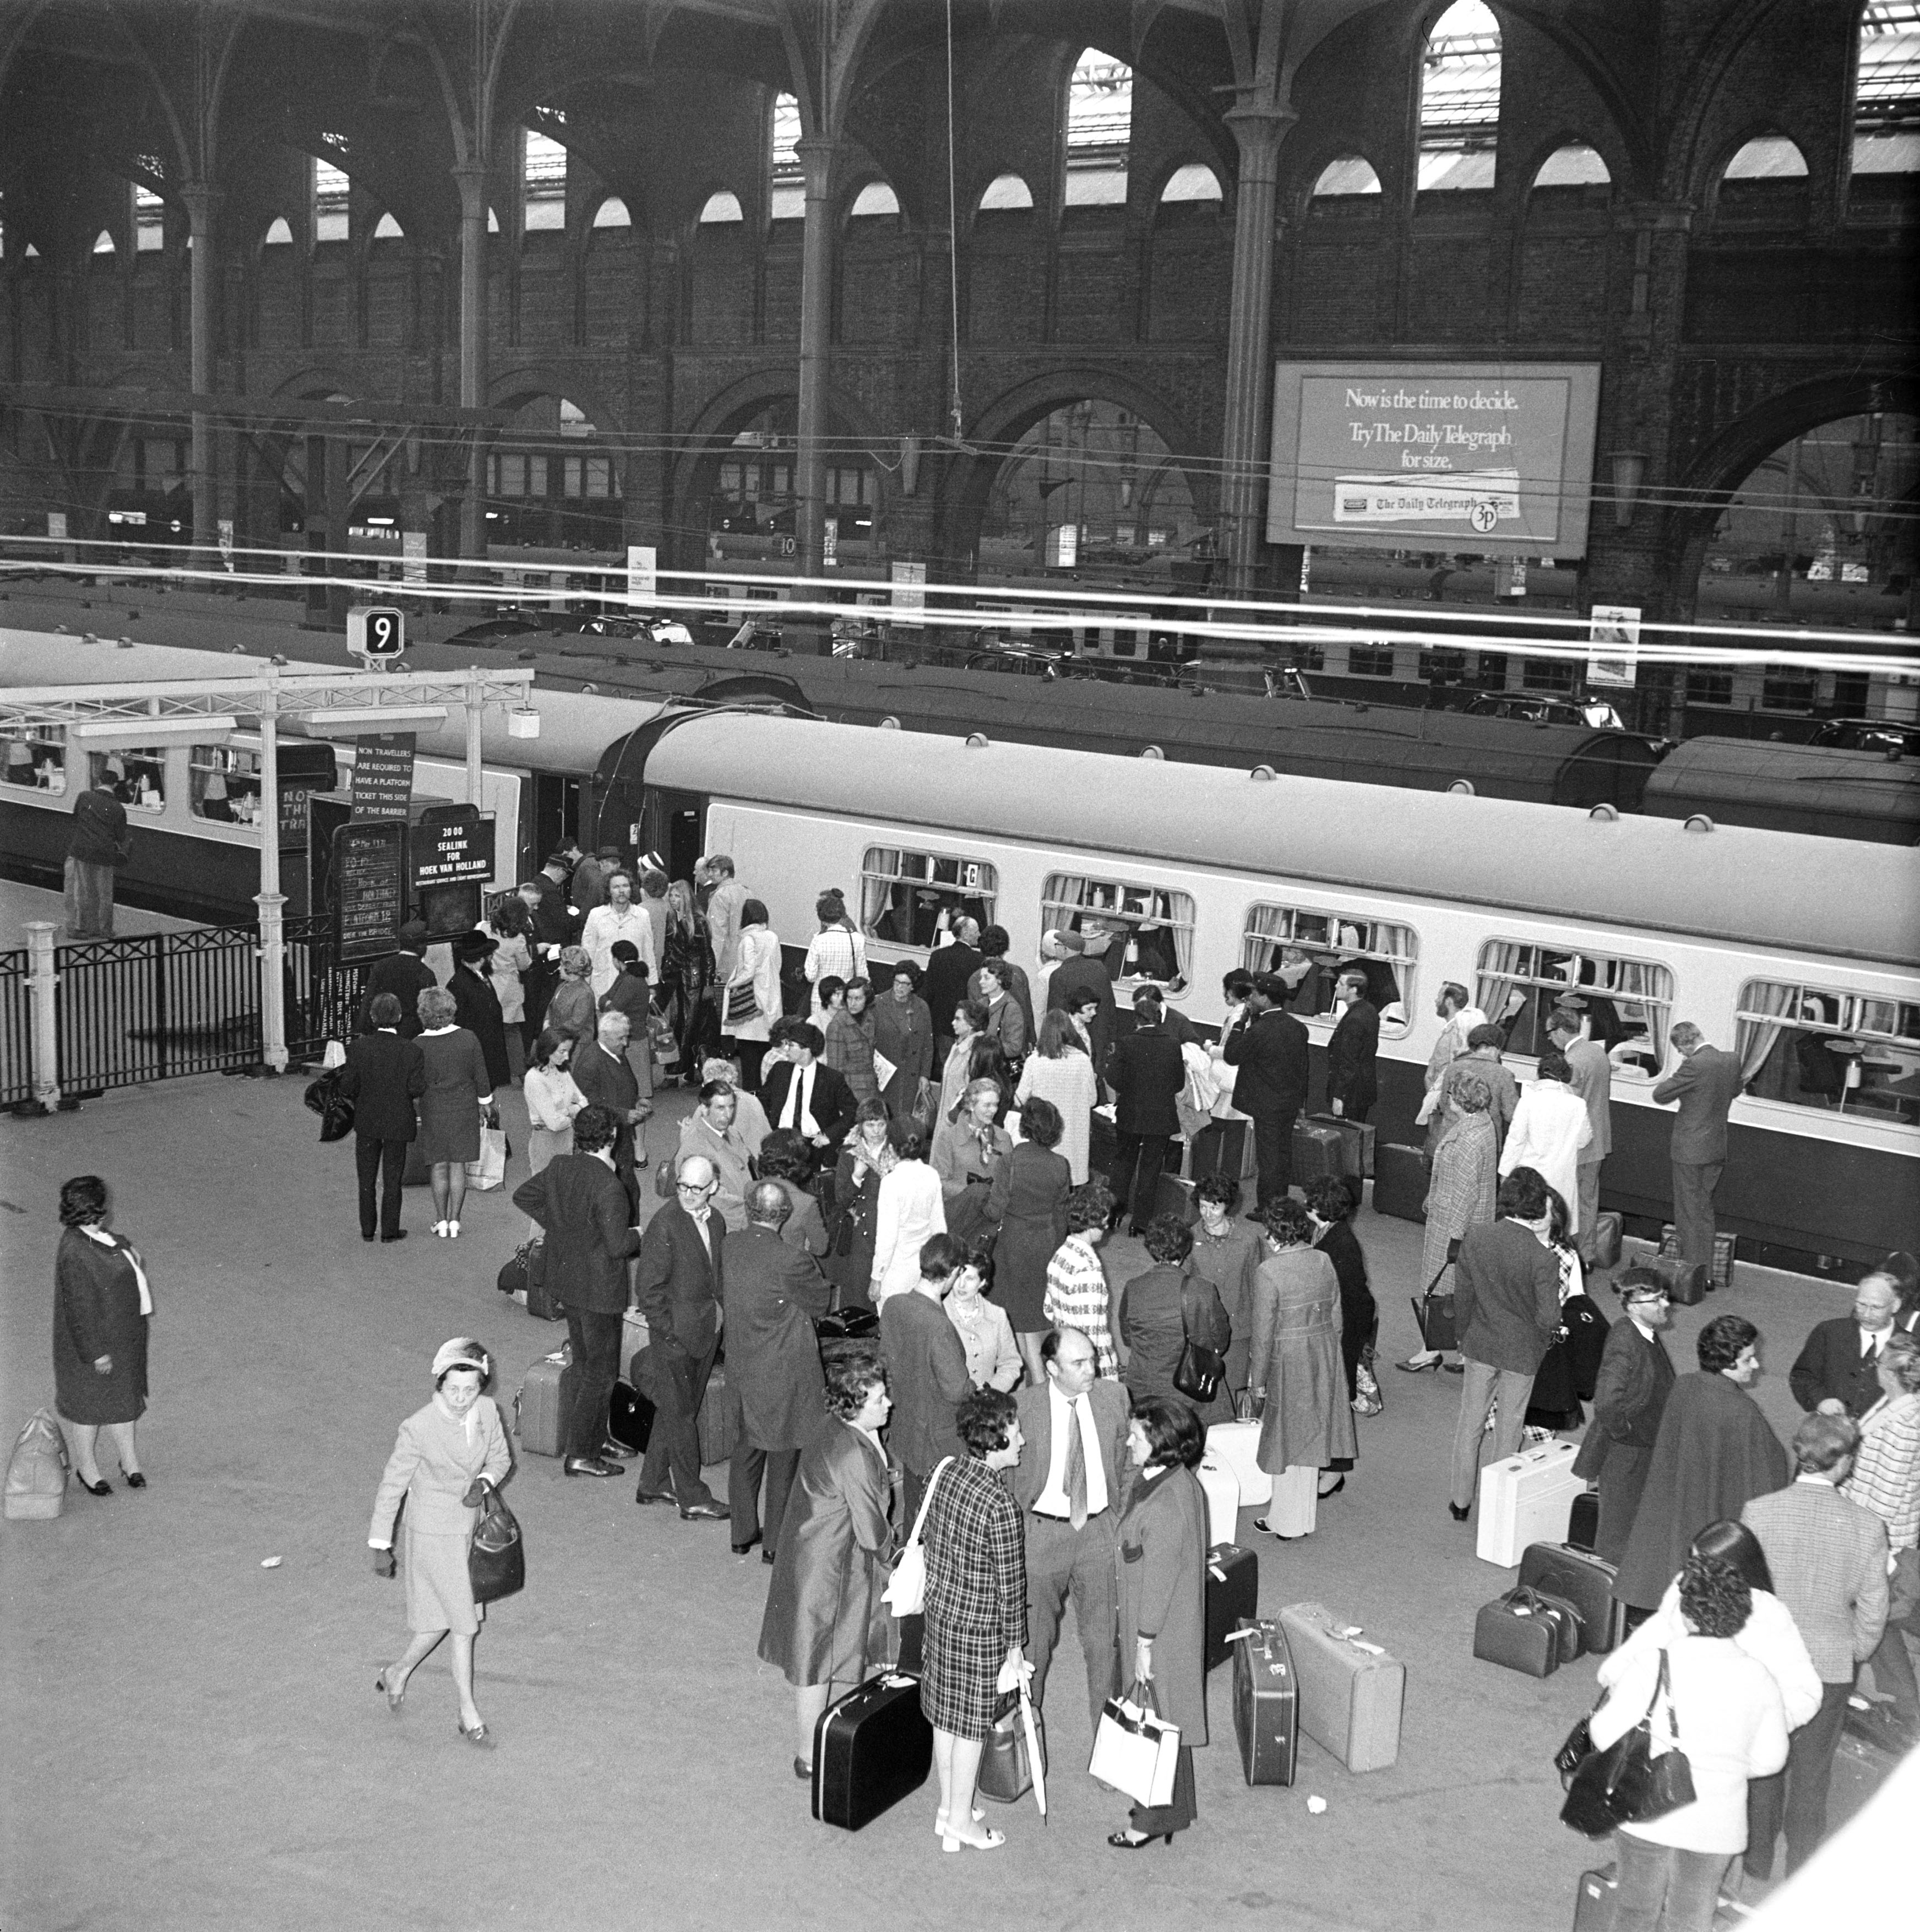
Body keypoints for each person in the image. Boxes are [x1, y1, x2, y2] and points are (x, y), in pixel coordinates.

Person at [1586, 1550, 1790, 1932]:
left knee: (1634, 1912)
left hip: (1647, 1812)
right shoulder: (1758, 1677)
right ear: (1739, 1617)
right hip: (1717, 1823)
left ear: (1684, 1612)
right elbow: (1771, 1759)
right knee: (1692, 1919)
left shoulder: (1652, 1663)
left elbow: (1602, 1732)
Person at [1741, 1414, 1890, 1881]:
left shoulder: (1757, 1512)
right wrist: (1855, 1651)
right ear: (1843, 1463)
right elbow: (1872, 1609)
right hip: (1828, 1665)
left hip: (1766, 1661)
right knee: (1813, 1773)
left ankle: (1756, 1859)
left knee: (1763, 1762)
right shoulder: (1867, 1527)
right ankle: (1800, 1867)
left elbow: (1744, 1593)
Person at [758, 1353, 898, 1781]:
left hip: (814, 1553)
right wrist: (902, 1563)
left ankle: (812, 1751)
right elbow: (874, 1533)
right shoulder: (853, 1452)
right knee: (815, 1656)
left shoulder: (835, 1427)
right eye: (879, 1398)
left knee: (815, 1652)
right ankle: (810, 1756)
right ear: (854, 1404)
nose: (889, 1403)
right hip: (828, 1566)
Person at [367, 1338, 513, 1747]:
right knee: (464, 1623)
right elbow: (392, 1485)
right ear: (439, 1384)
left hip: (469, 1529)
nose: (463, 1399)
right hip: (432, 1533)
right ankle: (468, 1713)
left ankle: (397, 1672)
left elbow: (500, 1459)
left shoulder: (487, 1411)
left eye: (471, 1389)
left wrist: (482, 1483)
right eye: (453, 1390)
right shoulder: (418, 1427)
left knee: (445, 1619)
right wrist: (381, 1542)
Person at [1615, 1315, 1790, 1614]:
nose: (1757, 1365)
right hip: (1713, 1511)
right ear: (1728, 1362)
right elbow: (1767, 1472)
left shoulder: (1684, 1386)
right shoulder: (1742, 1411)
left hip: (1677, 1496)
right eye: (1749, 1359)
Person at [920, 1385, 1030, 1853]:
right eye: (1015, 1430)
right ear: (996, 1439)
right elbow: (1011, 1588)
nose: (1022, 1439)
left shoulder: (944, 1472)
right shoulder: (1001, 1506)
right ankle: (961, 1821)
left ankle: (950, 1806)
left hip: (941, 1614)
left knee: (946, 1717)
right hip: (979, 1628)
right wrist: (1016, 1647)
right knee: (970, 1726)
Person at [512, 1105, 642, 1478]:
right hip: (599, 1289)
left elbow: (525, 1196)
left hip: (567, 1279)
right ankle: (582, 1452)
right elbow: (619, 1245)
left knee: (586, 1364)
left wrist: (562, 1227)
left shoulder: (559, 1167)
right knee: (601, 1372)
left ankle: (594, 1436)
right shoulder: (609, 1186)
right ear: (613, 1138)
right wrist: (639, 1235)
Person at [1009, 1327, 1127, 1725]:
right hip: (1041, 1538)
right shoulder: (1021, 1408)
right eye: (1079, 1363)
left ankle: (1109, 1749)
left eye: (1093, 1359)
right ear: (1050, 1368)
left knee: (1103, 1646)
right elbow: (1004, 1477)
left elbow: (1128, 1464)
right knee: (1032, 1648)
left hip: (1098, 1533)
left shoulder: (1114, 1397)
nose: (1091, 1369)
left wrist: (1119, 1518)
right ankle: (1027, 1736)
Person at [1108, 1396, 1211, 1849]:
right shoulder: (1172, 1481)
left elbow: (1159, 1580)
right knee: (1168, 1721)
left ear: (1161, 1443)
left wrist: (1143, 1644)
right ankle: (1176, 1811)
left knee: (1152, 1723)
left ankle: (1148, 1822)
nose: (1128, 1441)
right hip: (1169, 1623)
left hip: (1158, 1630)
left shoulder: (1166, 1503)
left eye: (1136, 1435)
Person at [725, 1181, 833, 1561]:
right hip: (783, 1371)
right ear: (784, 1215)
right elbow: (821, 1302)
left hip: (743, 1364)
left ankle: (741, 1534)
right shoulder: (792, 1260)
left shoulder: (730, 1245)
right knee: (783, 1454)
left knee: (747, 1448)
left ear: (749, 1210)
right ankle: (774, 1543)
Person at [1445, 1168, 1561, 1522]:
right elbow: (1548, 1319)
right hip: (1522, 1353)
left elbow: (1463, 1297)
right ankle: (1496, 1507)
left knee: (1470, 1425)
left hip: (1480, 1343)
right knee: (1509, 1430)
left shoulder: (1477, 1238)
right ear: (1539, 1207)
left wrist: (1463, 1336)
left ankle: (1461, 1503)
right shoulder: (1543, 1259)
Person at [630, 1154, 730, 1521]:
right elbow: (648, 1292)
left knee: (676, 1411)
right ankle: (692, 1497)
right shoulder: (665, 1225)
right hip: (675, 1338)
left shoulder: (716, 1221)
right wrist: (669, 1337)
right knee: (683, 1417)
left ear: (713, 1188)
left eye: (696, 1188)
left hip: (707, 1331)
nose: (687, 1194)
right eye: (682, 1186)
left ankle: (653, 1482)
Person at [1248, 1197, 1356, 1529]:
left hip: (1288, 1355)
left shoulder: (1268, 1271)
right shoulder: (1323, 1259)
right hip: (1323, 1350)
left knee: (1286, 1438)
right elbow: (1337, 1315)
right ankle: (1302, 1517)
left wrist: (1259, 1381)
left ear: (1272, 1234)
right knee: (1314, 1432)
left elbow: (1263, 1335)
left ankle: (1286, 1521)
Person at [1840, 1331, 1920, 1749]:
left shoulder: (1906, 1423)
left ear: (1892, 1374)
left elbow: (1886, 1500)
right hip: (1871, 1536)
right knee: (1874, 1623)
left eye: (1878, 1364)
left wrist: (1861, 1548)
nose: (1872, 1368)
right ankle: (1903, 1705)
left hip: (1879, 1543)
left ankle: (1905, 1707)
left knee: (1872, 1621)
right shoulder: (1892, 1405)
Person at [52, 1175, 154, 1494]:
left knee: (124, 1400)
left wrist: (126, 1246)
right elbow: (79, 1311)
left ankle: (129, 1461)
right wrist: (97, 1353)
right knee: (89, 1408)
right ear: (90, 1211)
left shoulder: (91, 1234)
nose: (104, 1217)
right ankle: (87, 1467)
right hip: (95, 1348)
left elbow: (110, 1240)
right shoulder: (74, 1253)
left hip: (121, 1336)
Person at [1573, 1268, 1680, 1566]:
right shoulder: (1625, 1340)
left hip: (1640, 1448)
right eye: (1657, 1300)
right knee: (1615, 1539)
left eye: (1665, 1297)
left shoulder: (1645, 1334)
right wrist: (1626, 1433)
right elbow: (1606, 1402)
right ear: (1634, 1306)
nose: (1666, 1305)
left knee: (1629, 1527)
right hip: (1627, 1453)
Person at [1400, 1071, 1499, 1372]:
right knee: (1463, 1290)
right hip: (1471, 1218)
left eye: (1451, 1096)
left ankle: (1429, 1350)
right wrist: (1435, 1195)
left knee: (1438, 1287)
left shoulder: (1468, 1137)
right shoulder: (1483, 1125)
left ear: (1460, 1101)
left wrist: (1455, 1236)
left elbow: (1466, 1192)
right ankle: (1464, 1353)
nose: (1448, 1100)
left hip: (1455, 1223)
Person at [880, 1233, 973, 1523]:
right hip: (939, 1439)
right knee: (941, 1519)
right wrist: (976, 1388)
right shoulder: (939, 1327)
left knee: (914, 1510)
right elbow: (957, 1391)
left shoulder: (894, 1305)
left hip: (908, 1428)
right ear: (955, 1273)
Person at [987, 1095, 1073, 1383]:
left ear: (1024, 1127)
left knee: (1016, 1320)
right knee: (1034, 1322)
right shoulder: (1061, 1165)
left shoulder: (1009, 1162)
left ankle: (1036, 1386)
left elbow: (994, 1210)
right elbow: (1062, 1215)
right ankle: (1039, 1381)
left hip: (1011, 1247)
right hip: (1045, 1246)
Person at [1118, 1213, 1231, 1423]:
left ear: (1151, 1248)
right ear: (1186, 1250)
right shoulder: (1202, 1289)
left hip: (1143, 1388)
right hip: (1189, 1393)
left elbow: (1127, 1338)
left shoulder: (1132, 1287)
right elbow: (1221, 1339)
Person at [1652, 1022, 1745, 1273]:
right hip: (1716, 1146)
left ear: (1684, 1045)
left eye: (1681, 1050)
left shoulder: (1693, 1065)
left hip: (1690, 1149)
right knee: (1703, 1210)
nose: (1682, 1054)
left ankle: (1692, 1273)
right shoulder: (1731, 1060)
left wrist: (1685, 1084)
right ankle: (1706, 1270)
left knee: (1687, 1213)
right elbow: (1736, 1089)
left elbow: (1660, 1095)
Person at [338, 991, 426, 1244]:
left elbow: (348, 1087)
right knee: (393, 1177)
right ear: (399, 1017)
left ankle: (368, 1229)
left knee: (365, 1177)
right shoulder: (411, 1051)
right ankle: (390, 1230)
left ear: (373, 1017)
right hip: (398, 1121)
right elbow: (416, 1088)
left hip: (367, 1120)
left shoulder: (359, 1048)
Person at [1221, 973, 1310, 1215]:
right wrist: (1301, 1104)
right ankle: (1279, 1203)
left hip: (1266, 1104)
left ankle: (1268, 1209)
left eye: (1254, 994)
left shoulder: (1260, 1030)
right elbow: (1303, 1069)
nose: (1250, 998)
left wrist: (1240, 1022)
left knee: (1269, 1158)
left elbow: (1231, 1056)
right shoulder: (1298, 1028)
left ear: (1265, 998)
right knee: (1282, 1155)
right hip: (1289, 1103)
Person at [413, 986, 493, 1240]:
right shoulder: (469, 1038)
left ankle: (441, 1220)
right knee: (458, 1164)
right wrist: (485, 1102)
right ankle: (456, 1221)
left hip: (434, 1109)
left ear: (424, 1013)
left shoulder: (418, 1045)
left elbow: (416, 1085)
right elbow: (481, 1075)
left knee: (438, 1165)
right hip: (464, 1107)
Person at [1106, 986, 1185, 1236]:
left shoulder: (1126, 1044)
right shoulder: (1173, 1044)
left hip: (1130, 1114)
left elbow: (1113, 1078)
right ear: (1159, 1018)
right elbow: (1179, 1084)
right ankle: (1140, 1222)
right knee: (1150, 1168)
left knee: (1124, 1164)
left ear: (1137, 1020)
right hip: (1161, 1117)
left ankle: (1115, 1216)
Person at [1306, 1175, 1376, 1423]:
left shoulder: (1342, 1243)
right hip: (1340, 1308)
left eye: (1310, 1204)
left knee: (1342, 1367)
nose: (1306, 1206)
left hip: (1348, 1314)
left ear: (1322, 1211)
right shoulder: (1324, 1230)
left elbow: (1350, 1291)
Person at [1788, 1272, 1902, 1419]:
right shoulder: (1829, 1332)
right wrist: (1820, 1401)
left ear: (1896, 1305)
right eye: (1861, 1304)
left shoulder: (1911, 1347)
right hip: (1828, 1433)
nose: (1866, 1314)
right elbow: (1802, 1376)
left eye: (1876, 1308)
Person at [1549, 1006, 1614, 1260]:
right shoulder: (1598, 1052)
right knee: (1588, 1201)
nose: (1550, 1037)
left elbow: (1569, 1104)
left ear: (1563, 1030)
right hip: (1598, 1139)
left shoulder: (1572, 1061)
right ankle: (1586, 1256)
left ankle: (1569, 1255)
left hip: (1578, 1142)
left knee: (1568, 1201)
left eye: (1551, 1032)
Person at [1189, 1174, 1259, 1399]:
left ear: (1227, 1206)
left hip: (1239, 1328)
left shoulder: (1248, 1240)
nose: (1208, 1214)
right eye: (1202, 1207)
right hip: (1204, 1331)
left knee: (1235, 1390)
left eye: (1214, 1208)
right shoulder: (1190, 1237)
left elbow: (1257, 1288)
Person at [571, 1010, 648, 1207]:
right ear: (604, 1035)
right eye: (621, 1038)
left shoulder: (615, 1051)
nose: (626, 1043)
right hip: (604, 1138)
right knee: (620, 1190)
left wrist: (637, 1100)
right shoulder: (590, 1062)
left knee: (629, 1188)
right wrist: (624, 1114)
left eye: (627, 1037)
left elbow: (626, 1083)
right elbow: (588, 1106)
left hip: (620, 1132)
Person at [1016, 1008, 1098, 1185]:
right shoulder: (1083, 1060)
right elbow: (1093, 1100)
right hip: (1074, 1137)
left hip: (1044, 1135)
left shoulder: (1035, 1060)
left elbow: (1019, 1099)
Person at [871, 1119, 947, 1306]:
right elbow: (939, 1227)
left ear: (891, 1145)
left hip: (896, 1274)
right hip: (924, 1272)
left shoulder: (891, 1182)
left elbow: (887, 1238)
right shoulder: (931, 1174)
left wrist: (876, 1278)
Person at [826, 1099, 893, 1308]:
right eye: (870, 1125)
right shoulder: (849, 1153)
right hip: (860, 1231)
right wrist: (856, 1176)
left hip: (890, 1226)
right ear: (860, 1126)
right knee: (858, 1287)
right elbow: (841, 1198)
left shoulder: (897, 1151)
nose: (876, 1131)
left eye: (881, 1124)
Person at [930, 1076, 1012, 1245]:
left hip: (990, 1219)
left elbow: (1010, 1180)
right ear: (971, 1105)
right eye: (987, 1105)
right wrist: (974, 1194)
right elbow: (940, 1181)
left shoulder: (1004, 1139)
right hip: (958, 1216)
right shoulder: (949, 1137)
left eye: (995, 1105)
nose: (993, 1110)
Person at [520, 1028, 587, 1232]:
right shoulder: (534, 1078)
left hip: (567, 1141)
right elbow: (554, 1123)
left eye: (569, 1051)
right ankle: (532, 1255)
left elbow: (583, 1099)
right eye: (562, 1052)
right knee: (546, 1209)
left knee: (563, 1205)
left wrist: (566, 1111)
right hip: (545, 1145)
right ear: (547, 1050)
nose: (567, 1056)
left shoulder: (562, 1071)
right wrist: (574, 1110)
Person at [761, 1020, 857, 1156]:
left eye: (791, 1045)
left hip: (814, 1144)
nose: (786, 1049)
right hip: (782, 1140)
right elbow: (763, 1100)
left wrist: (829, 1135)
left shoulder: (832, 1078)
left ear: (807, 1049)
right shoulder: (780, 1070)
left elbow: (853, 1112)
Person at [678, 1081, 757, 1233]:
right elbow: (716, 1200)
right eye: (720, 1108)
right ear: (704, 1109)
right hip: (727, 1227)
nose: (728, 1115)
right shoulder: (696, 1148)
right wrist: (756, 1212)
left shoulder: (732, 1132)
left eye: (731, 1107)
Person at [64, 766, 132, 937]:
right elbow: (120, 835)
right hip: (105, 854)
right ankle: (105, 930)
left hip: (82, 850)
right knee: (104, 894)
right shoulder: (118, 808)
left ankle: (81, 929)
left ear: (99, 781)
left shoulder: (84, 797)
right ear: (115, 785)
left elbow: (76, 818)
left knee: (82, 890)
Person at [720, 897, 781, 1087]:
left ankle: (752, 1094)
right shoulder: (772, 937)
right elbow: (777, 966)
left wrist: (731, 985)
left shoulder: (748, 939)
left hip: (749, 1003)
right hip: (770, 998)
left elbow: (748, 971)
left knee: (749, 1056)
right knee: (766, 1055)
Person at [1419, 983, 1487, 1148]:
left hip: (1443, 1108)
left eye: (1439, 996)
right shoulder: (1451, 1030)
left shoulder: (1454, 1033)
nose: (1436, 1001)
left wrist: (1437, 1105)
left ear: (1448, 1001)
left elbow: (1441, 1073)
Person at [945, 1247, 1023, 1391]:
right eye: (958, 1277)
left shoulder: (997, 1315)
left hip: (987, 1402)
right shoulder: (940, 1312)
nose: (961, 1285)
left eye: (970, 1278)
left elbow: (1011, 1363)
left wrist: (990, 1391)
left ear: (982, 1282)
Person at [662, 877, 717, 1079]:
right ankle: (681, 1068)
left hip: (694, 981)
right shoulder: (673, 918)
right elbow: (669, 950)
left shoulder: (698, 921)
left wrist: (709, 984)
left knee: (689, 1025)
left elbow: (707, 954)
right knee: (679, 1023)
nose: (674, 900)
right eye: (672, 896)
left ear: (686, 898)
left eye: (678, 896)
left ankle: (680, 1068)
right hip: (677, 979)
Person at [1431, 1025, 1519, 1149]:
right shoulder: (1504, 1075)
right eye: (1500, 1050)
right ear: (1493, 1047)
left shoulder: (1453, 1068)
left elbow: (1444, 1103)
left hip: (1450, 1138)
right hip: (1484, 1143)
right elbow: (1512, 1115)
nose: (1500, 1054)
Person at [1044, 929, 1119, 1072]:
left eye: (1057, 945)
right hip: (1100, 1038)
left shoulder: (1059, 975)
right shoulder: (1099, 967)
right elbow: (1110, 1005)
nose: (1056, 949)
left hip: (1073, 1045)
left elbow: (1056, 1015)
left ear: (1065, 949)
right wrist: (1112, 1038)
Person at [447, 931, 513, 1093]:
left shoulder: (479, 975)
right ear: (482, 959)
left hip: (488, 1047)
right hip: (479, 1051)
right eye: (489, 955)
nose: (492, 958)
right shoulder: (459, 984)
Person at [872, 962, 934, 1120]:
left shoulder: (922, 1007)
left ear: (913, 986)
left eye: (905, 984)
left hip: (910, 1076)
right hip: (884, 1075)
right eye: (897, 982)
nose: (900, 988)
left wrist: (925, 1075)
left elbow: (928, 1045)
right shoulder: (878, 1003)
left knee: (905, 1120)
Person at [755, 1130, 831, 1259]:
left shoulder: (750, 1189)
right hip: (793, 1267)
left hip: (760, 1261)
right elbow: (820, 1249)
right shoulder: (806, 1202)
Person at [581, 869, 657, 999]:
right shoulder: (596, 915)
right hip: (603, 987)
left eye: (625, 886)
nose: (621, 890)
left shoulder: (643, 915)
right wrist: (584, 984)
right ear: (609, 891)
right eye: (616, 887)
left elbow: (648, 953)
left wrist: (652, 985)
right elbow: (588, 952)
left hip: (633, 988)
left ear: (631, 889)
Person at [597, 944, 657, 1102]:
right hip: (633, 1038)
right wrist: (607, 1001)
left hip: (632, 1040)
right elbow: (604, 999)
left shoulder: (629, 980)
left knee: (636, 1093)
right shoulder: (631, 977)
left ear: (617, 960)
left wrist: (608, 1002)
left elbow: (612, 1007)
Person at [359, 920, 437, 1040]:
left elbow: (368, 1002)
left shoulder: (380, 966)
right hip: (412, 1040)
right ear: (420, 946)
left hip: (381, 1037)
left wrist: (365, 1032)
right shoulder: (425, 973)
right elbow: (430, 1012)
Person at [922, 915, 985, 1064]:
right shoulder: (979, 960)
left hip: (942, 1023)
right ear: (966, 933)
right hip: (967, 1024)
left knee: (947, 1065)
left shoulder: (938, 956)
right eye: (976, 931)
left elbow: (928, 992)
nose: (979, 934)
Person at [483, 892, 532, 1076]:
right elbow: (524, 965)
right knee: (511, 1030)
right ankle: (520, 1072)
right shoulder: (518, 938)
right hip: (508, 987)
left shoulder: (484, 927)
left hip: (487, 982)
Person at [802, 889, 866, 1023]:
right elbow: (862, 975)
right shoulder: (857, 939)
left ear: (823, 918)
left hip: (820, 998)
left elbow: (811, 976)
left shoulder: (818, 940)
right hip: (845, 998)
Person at [1324, 970, 1379, 1121]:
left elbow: (1349, 1061)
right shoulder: (1369, 1010)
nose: (1336, 986)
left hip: (1350, 1095)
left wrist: (1339, 1097)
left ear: (1353, 990)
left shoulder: (1354, 1019)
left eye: (1341, 984)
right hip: (1361, 1092)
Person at [820, 976, 881, 1109]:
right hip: (851, 1094)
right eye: (849, 998)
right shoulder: (837, 1025)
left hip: (872, 1089)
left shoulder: (870, 1019)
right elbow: (835, 1071)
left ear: (867, 999)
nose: (852, 1003)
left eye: (858, 999)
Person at [971, 924, 1036, 1044]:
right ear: (1005, 948)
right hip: (1017, 1039)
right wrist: (1031, 1039)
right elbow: (1027, 1009)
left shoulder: (976, 978)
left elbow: (976, 1019)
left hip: (990, 1045)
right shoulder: (1018, 973)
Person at [701, 853, 750, 984]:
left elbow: (717, 934)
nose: (710, 874)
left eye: (714, 870)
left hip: (725, 962)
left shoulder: (720, 895)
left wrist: (711, 968)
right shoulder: (746, 892)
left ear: (725, 873)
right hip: (745, 959)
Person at [976, 958, 1027, 1063]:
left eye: (986, 978)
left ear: (1000, 980)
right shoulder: (980, 1004)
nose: (981, 982)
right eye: (981, 977)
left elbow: (1015, 1048)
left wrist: (984, 1045)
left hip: (998, 1069)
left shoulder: (1011, 1008)